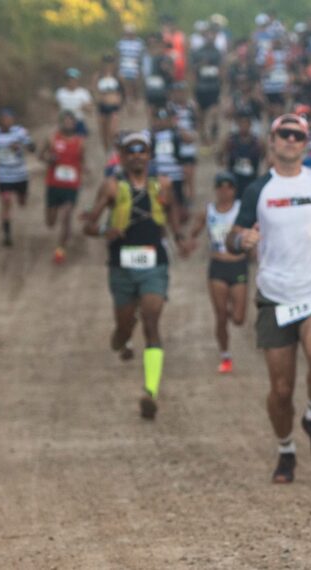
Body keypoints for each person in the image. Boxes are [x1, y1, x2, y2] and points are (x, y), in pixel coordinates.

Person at [224, 114, 311, 484]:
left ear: (306, 143)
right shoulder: (258, 189)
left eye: (297, 135)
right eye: (283, 134)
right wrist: (242, 241)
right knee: (281, 389)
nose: (290, 140)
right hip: (274, 295)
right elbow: (233, 235)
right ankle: (286, 450)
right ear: (271, 141)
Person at [80, 131, 189, 420]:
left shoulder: (163, 185)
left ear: (150, 154)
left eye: (142, 151)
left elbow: (174, 210)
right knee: (125, 325)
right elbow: (88, 226)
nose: (137, 155)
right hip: (122, 264)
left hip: (155, 261)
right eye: (132, 151)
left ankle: (150, 391)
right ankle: (121, 335)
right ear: (123, 156)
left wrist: (179, 236)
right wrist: (105, 230)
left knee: (152, 319)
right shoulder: (112, 187)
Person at [185, 172, 248, 374]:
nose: (224, 191)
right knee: (220, 315)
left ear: (234, 189)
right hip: (218, 266)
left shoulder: (241, 210)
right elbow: (195, 230)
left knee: (238, 318)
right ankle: (225, 355)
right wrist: (190, 242)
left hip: (238, 265)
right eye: (220, 187)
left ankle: (231, 310)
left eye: (228, 187)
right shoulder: (209, 211)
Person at [40, 111, 87, 264]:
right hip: (53, 184)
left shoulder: (80, 142)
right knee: (50, 221)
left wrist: (85, 172)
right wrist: (49, 158)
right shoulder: (52, 138)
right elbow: (40, 156)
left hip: (71, 186)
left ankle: (60, 250)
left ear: (74, 124)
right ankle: (53, 215)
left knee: (67, 215)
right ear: (61, 123)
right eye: (65, 121)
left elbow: (82, 161)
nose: (68, 124)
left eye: (70, 121)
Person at [0, 107, 35, 247]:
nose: (7, 121)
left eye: (9, 119)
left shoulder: (20, 132)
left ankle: (22, 196)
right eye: (4, 118)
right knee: (6, 201)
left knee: (22, 201)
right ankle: (7, 235)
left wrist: (19, 146)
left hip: (20, 174)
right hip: (3, 175)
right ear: (0, 120)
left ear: (13, 120)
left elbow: (32, 147)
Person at [148, 106, 193, 218]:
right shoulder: (151, 135)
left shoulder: (176, 134)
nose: (162, 122)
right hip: (158, 176)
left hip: (175, 176)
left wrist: (176, 126)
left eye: (165, 119)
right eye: (159, 119)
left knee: (178, 205)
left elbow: (190, 139)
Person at [190, 25, 224, 144]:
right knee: (201, 115)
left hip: (214, 87)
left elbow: (221, 69)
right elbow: (193, 72)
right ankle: (203, 136)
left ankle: (214, 127)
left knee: (214, 111)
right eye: (208, 35)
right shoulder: (197, 52)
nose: (210, 37)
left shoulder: (218, 53)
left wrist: (222, 85)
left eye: (212, 34)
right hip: (201, 88)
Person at [167, 83, 199, 211]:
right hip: (176, 145)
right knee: (179, 175)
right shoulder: (170, 107)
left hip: (189, 146)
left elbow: (196, 124)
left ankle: (190, 200)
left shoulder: (191, 106)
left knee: (190, 175)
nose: (179, 95)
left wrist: (192, 136)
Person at [218, 113, 265, 193]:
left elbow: (264, 155)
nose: (244, 126)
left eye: (246, 123)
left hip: (251, 179)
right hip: (234, 180)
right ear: (238, 124)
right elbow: (220, 155)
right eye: (242, 123)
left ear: (250, 125)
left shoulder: (258, 142)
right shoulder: (230, 141)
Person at [93, 54, 126, 152]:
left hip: (114, 106)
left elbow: (123, 90)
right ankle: (106, 150)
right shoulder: (98, 76)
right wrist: (97, 98)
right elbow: (94, 89)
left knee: (113, 130)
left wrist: (121, 101)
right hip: (102, 106)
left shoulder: (117, 76)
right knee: (103, 132)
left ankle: (112, 149)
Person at [55, 68, 93, 136]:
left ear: (77, 80)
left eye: (74, 79)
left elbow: (90, 109)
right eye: (69, 79)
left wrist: (84, 107)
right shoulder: (60, 93)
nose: (71, 81)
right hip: (64, 123)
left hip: (78, 122)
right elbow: (56, 108)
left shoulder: (83, 92)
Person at [144, 33, 174, 112]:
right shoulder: (147, 58)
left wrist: (166, 68)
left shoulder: (167, 58)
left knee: (164, 108)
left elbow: (171, 74)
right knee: (152, 108)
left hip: (164, 88)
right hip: (152, 88)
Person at [116, 24, 145, 103]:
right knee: (125, 88)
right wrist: (119, 69)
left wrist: (140, 69)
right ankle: (128, 104)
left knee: (135, 87)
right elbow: (118, 57)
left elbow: (141, 58)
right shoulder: (121, 43)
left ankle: (135, 104)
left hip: (135, 68)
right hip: (124, 68)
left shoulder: (139, 43)